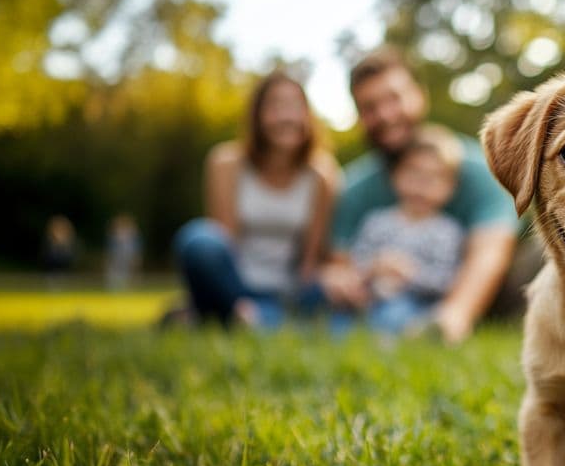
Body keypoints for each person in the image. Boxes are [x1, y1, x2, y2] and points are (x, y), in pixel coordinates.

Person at [323, 46, 517, 343]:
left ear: (419, 95)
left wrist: (453, 316)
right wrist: (346, 280)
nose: (385, 115)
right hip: (386, 304)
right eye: (370, 107)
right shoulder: (355, 188)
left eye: (394, 99)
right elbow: (340, 261)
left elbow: (490, 251)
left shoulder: (478, 170)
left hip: (498, 286)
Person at [172, 70, 340, 328]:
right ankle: (237, 311)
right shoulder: (225, 162)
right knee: (199, 240)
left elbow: (310, 259)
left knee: (317, 295)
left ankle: (222, 317)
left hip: (284, 290)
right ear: (258, 116)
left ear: (308, 116)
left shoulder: (323, 174)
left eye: (295, 106)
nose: (286, 116)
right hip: (235, 281)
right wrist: (236, 295)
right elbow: (223, 241)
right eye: (275, 106)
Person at [337, 124, 466, 336]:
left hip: (414, 302)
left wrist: (410, 274)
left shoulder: (447, 231)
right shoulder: (377, 221)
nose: (421, 185)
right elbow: (356, 261)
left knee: (397, 314)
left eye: (433, 178)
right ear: (396, 176)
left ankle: (403, 336)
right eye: (414, 174)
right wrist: (373, 268)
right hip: (369, 297)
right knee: (340, 318)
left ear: (450, 187)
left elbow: (445, 280)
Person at [105, 213, 141, 291]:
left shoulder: (133, 239)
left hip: (127, 264)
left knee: (129, 284)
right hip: (116, 265)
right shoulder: (113, 238)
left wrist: (134, 263)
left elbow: (135, 254)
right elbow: (110, 254)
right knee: (116, 283)